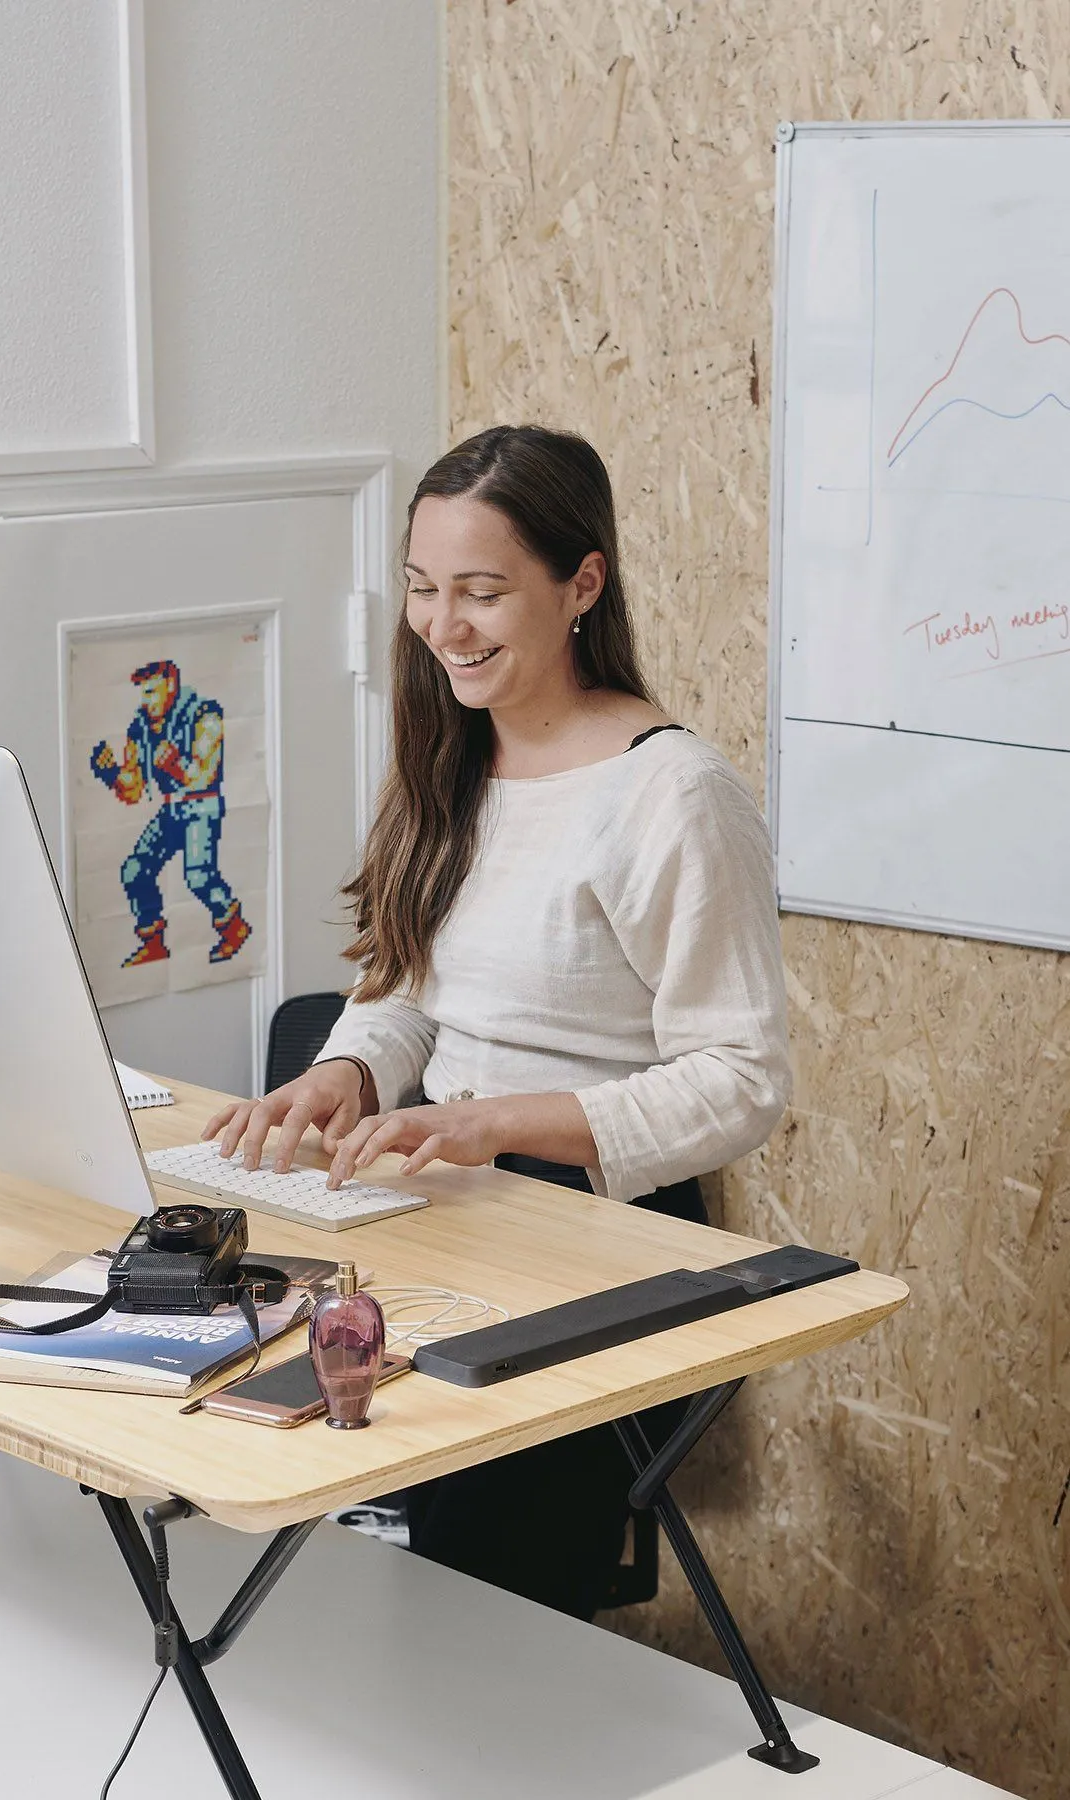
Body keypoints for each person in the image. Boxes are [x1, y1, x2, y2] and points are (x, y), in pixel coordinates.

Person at [202, 424, 791, 1620]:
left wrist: (495, 1122)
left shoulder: (673, 795)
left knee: (479, 1600)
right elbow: (413, 985)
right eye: (423, 589)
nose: (443, 627)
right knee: (269, 1463)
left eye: (481, 593)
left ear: (583, 584)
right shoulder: (453, 756)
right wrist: (352, 1072)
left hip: (593, 1237)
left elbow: (743, 1080)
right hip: (449, 1203)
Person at [91, 659, 252, 968]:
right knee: (135, 870)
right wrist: (110, 771)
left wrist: (175, 764)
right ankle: (152, 941)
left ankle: (233, 926)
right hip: (171, 806)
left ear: (171, 685)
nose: (147, 700)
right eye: (143, 693)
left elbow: (204, 774)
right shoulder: (141, 726)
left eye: (152, 692)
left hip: (201, 804)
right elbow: (133, 789)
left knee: (198, 876)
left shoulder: (204, 715)